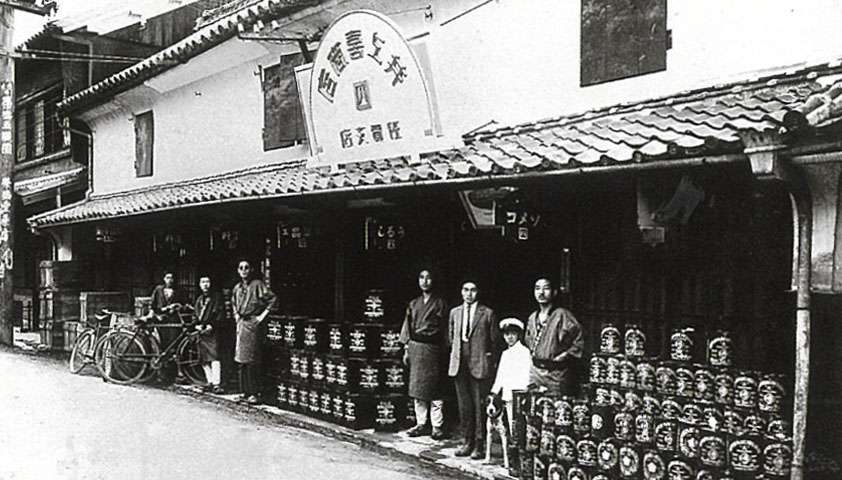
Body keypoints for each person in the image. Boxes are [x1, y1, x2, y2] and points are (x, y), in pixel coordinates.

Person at [447, 280, 503, 459]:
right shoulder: (455, 313)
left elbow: (494, 341)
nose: (469, 293)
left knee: (480, 406)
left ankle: (479, 444)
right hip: (459, 364)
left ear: (477, 292)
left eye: (472, 290)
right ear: (461, 292)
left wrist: (487, 360)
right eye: (465, 290)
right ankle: (466, 441)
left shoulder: (487, 313)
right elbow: (450, 338)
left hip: (479, 365)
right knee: (464, 406)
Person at [399, 269, 448, 440]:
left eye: (428, 277)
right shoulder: (413, 304)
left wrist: (444, 349)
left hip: (433, 348)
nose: (425, 281)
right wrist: (406, 349)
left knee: (435, 389)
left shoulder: (440, 303)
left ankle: (437, 426)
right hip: (415, 347)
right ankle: (420, 423)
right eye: (421, 277)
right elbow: (407, 327)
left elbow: (445, 329)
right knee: (417, 388)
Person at [524, 277, 584, 395]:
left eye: (546, 288)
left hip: (555, 373)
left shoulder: (562, 315)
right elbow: (528, 341)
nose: (541, 292)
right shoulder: (532, 317)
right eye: (537, 288)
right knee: (533, 405)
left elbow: (578, 339)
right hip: (535, 372)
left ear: (554, 292)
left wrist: (565, 355)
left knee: (554, 406)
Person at [232, 260, 277, 405]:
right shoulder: (237, 287)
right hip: (241, 323)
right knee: (241, 360)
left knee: (251, 360)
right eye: (241, 268)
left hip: (252, 324)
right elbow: (233, 302)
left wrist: (262, 316)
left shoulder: (257, 285)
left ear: (251, 269)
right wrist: (236, 316)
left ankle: (254, 392)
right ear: (238, 271)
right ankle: (244, 391)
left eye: (246, 267)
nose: (244, 270)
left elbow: (272, 299)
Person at [490, 317, 531, 433]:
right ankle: (513, 444)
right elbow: (501, 375)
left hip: (520, 394)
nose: (510, 337)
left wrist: (525, 391)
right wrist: (494, 392)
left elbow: (528, 372)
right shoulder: (505, 354)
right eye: (507, 334)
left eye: (513, 334)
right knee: (511, 421)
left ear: (518, 335)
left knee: (522, 423)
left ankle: (520, 447)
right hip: (508, 394)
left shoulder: (524, 352)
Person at [149, 271, 185, 384]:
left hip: (174, 322)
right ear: (164, 279)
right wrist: (156, 314)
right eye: (168, 277)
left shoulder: (179, 291)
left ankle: (175, 374)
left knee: (174, 346)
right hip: (161, 322)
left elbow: (185, 304)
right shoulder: (158, 290)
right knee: (161, 347)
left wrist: (178, 306)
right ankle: (161, 374)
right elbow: (153, 305)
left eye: (172, 278)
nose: (170, 280)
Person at [194, 276, 226, 394]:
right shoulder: (199, 299)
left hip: (212, 331)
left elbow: (220, 313)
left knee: (214, 356)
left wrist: (212, 325)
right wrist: (196, 325)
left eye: (207, 282)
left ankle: (217, 383)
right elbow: (195, 315)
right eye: (203, 282)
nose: (205, 284)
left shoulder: (217, 298)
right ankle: (210, 381)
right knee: (203, 358)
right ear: (200, 285)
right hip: (201, 331)